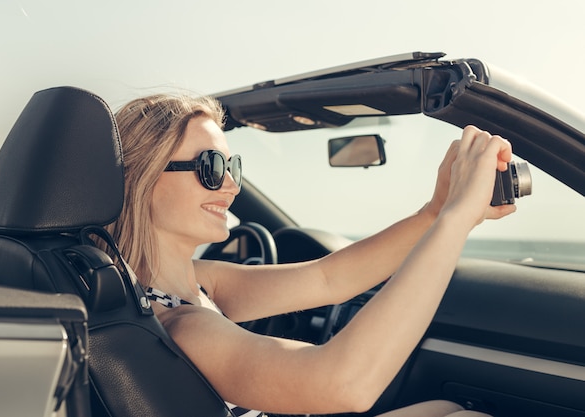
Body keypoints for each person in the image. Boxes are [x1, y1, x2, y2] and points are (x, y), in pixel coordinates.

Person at [106, 93, 516, 417]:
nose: (231, 186)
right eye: (212, 167)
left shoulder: (197, 283)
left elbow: (329, 278)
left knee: (448, 410)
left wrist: (436, 211)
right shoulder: (183, 326)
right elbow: (346, 383)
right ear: (142, 177)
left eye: (234, 166)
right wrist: (457, 218)